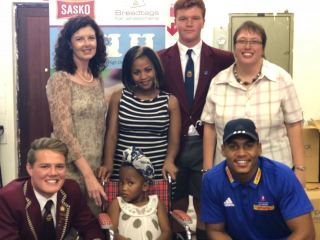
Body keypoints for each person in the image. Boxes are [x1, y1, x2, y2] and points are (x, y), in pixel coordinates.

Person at [158, 0, 234, 238]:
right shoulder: (160, 60)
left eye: (194, 18)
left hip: (207, 144)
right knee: (176, 205)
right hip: (173, 145)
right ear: (175, 22)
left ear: (203, 20)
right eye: (183, 18)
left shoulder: (224, 59)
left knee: (207, 204)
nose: (188, 23)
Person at [201, 20, 306, 186]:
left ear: (263, 47)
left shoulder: (281, 79)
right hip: (228, 173)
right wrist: (207, 170)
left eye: (254, 41)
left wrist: (300, 169)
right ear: (234, 47)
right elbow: (210, 127)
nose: (247, 46)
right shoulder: (218, 81)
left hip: (275, 172)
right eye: (242, 41)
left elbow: (294, 125)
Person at [200, 118, 315, 240]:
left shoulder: (282, 176)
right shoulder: (212, 180)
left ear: (259, 149)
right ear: (223, 150)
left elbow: (306, 233)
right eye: (233, 147)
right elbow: (215, 231)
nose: (241, 153)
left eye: (248, 145)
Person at [46, 15, 107, 215]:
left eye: (91, 38)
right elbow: (64, 132)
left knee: (93, 227)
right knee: (69, 228)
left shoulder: (97, 80)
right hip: (71, 169)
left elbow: (100, 128)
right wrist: (87, 175)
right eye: (80, 39)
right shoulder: (60, 79)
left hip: (96, 168)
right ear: (70, 44)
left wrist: (97, 170)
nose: (87, 43)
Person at [102, 46, 181, 183]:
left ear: (156, 69)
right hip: (122, 175)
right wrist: (107, 163)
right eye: (136, 72)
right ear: (129, 74)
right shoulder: (118, 97)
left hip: (157, 174)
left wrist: (170, 160)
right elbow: (111, 135)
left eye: (148, 70)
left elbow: (174, 140)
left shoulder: (170, 101)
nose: (143, 77)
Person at [0, 137, 105, 240]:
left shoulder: (71, 190)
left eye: (59, 166)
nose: (53, 173)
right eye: (45, 166)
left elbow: (89, 226)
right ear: (30, 169)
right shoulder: (8, 198)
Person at [107, 146, 172, 240]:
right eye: (121, 182)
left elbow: (167, 232)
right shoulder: (117, 204)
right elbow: (112, 233)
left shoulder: (156, 203)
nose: (124, 188)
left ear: (144, 186)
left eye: (130, 183)